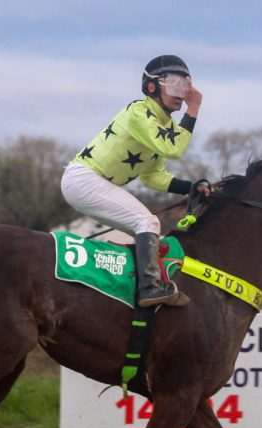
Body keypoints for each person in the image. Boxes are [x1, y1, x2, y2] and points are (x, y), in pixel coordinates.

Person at [61, 54, 208, 307]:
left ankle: (128, 289)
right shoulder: (138, 111)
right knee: (147, 221)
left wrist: (190, 187)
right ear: (151, 86)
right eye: (172, 83)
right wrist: (193, 110)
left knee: (153, 239)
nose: (180, 92)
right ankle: (149, 290)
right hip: (83, 179)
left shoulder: (165, 123)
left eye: (184, 85)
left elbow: (153, 177)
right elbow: (173, 149)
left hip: (88, 183)